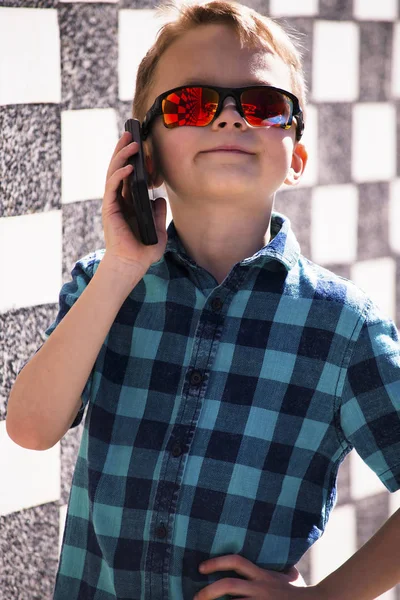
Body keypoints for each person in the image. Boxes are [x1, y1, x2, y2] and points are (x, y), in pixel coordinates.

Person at [6, 1, 400, 599]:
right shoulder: (105, 285)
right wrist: (119, 268)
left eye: (264, 106)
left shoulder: (343, 328)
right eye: (192, 104)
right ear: (144, 153)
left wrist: (325, 598)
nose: (230, 119)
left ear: (295, 155)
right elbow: (31, 428)